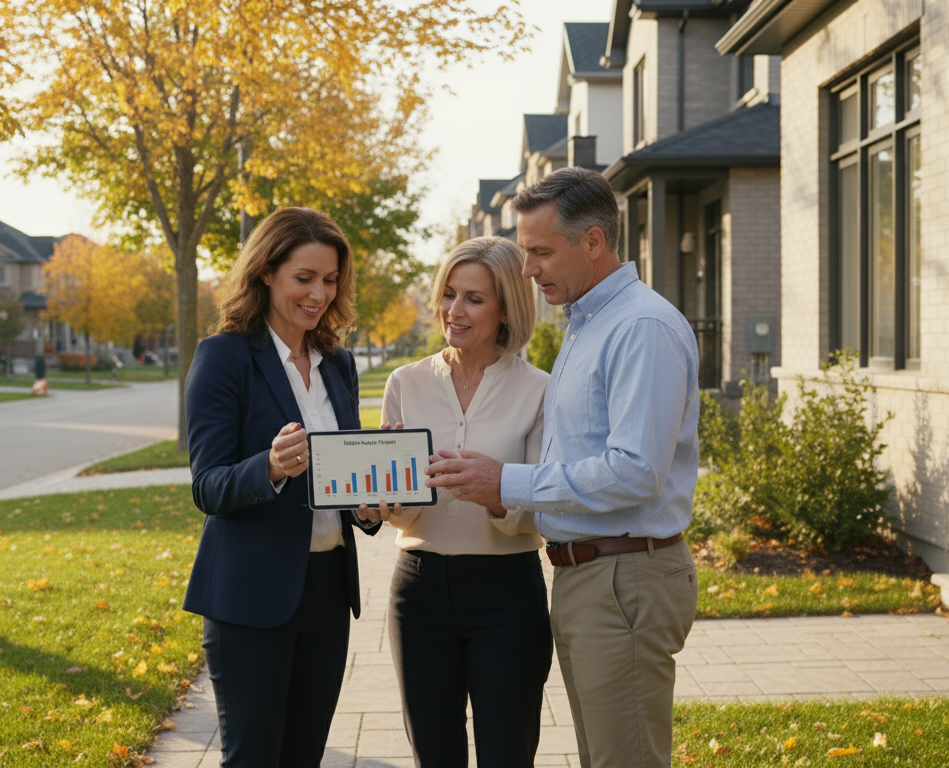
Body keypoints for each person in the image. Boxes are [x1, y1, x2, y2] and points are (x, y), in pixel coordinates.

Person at [423, 167, 700, 768]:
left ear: (594, 241)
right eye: (526, 252)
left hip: (625, 577)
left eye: (541, 252)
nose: (528, 269)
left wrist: (505, 481)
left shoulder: (641, 327)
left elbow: (635, 471)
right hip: (588, 577)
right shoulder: (588, 324)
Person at [181, 207, 381, 768]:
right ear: (266, 272)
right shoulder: (223, 357)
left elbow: (346, 473)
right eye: (304, 278)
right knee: (253, 759)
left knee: (304, 757)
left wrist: (369, 504)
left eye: (330, 279)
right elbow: (207, 486)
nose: (319, 293)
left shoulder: (337, 363)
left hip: (326, 592)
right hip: (250, 595)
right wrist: (268, 468)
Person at [368, 237, 551, 768]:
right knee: (434, 755)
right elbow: (398, 502)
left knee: (507, 755)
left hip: (507, 596)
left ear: (506, 309)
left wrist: (495, 493)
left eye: (473, 298)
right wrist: (385, 501)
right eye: (448, 293)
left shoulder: (540, 390)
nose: (454, 310)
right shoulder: (406, 382)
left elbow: (544, 503)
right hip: (418, 591)